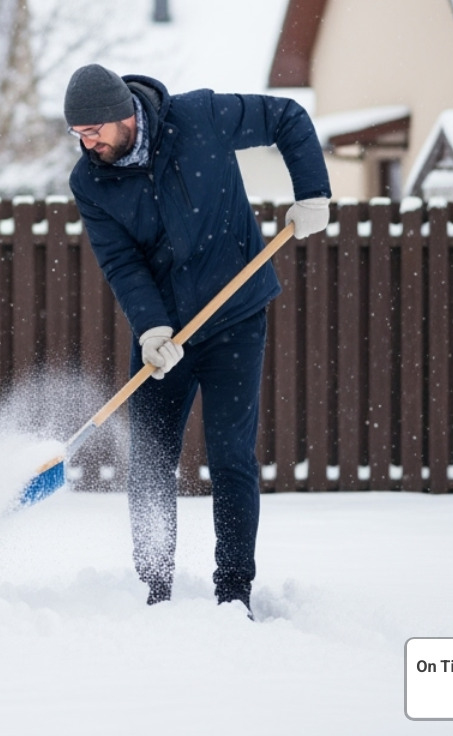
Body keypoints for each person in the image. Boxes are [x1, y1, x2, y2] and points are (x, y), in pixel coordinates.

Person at [64, 63, 331, 612]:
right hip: (167, 335)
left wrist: (313, 193)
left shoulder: (199, 117)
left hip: (235, 317)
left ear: (123, 116)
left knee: (231, 455)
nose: (88, 145)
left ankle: (233, 591)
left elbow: (288, 118)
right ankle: (152, 586)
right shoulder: (90, 182)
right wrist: (153, 327)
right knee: (151, 457)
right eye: (78, 136)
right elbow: (120, 260)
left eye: (94, 132)